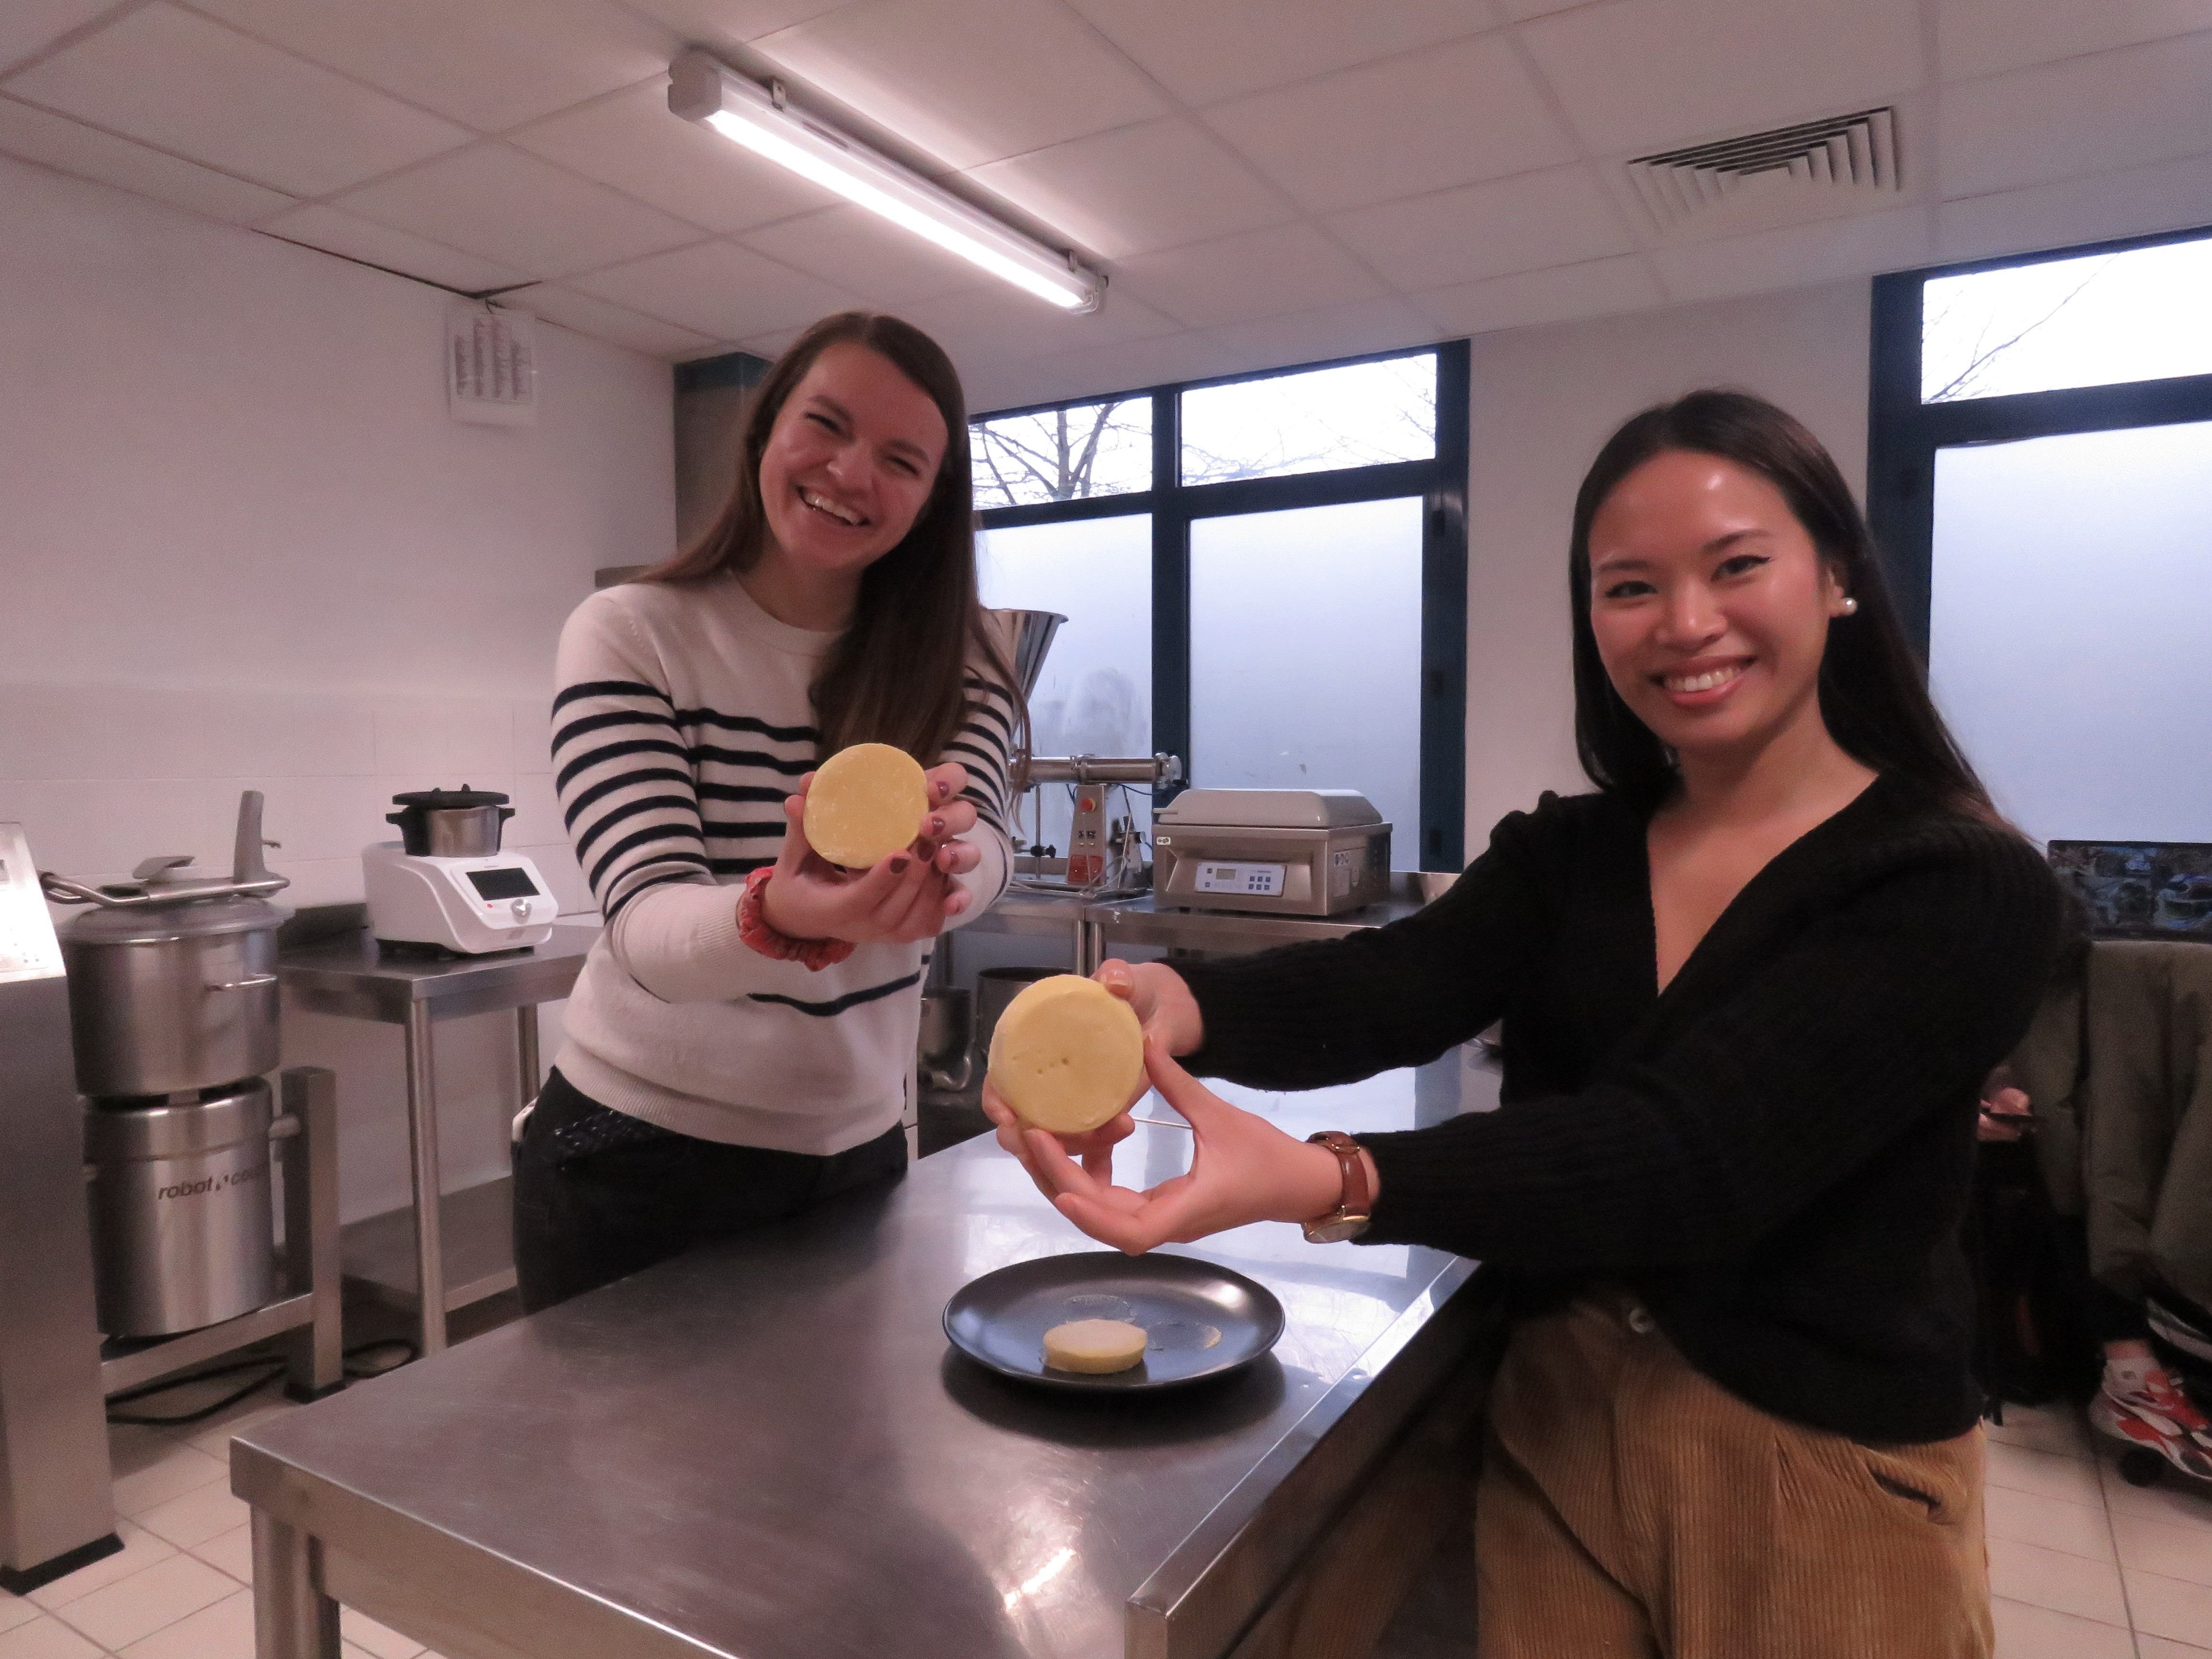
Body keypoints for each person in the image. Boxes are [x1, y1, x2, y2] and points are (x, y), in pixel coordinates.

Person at [987, 391, 2064, 1657]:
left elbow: (1691, 1156)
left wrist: (1332, 1177)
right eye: (1629, 587)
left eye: (1737, 566)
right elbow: (1397, 983)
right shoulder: (1575, 853)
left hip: (1821, 1471)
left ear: (1836, 576)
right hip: (1555, 1418)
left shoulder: (1957, 883)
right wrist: (1189, 1004)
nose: (1685, 624)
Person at [517, 312, 1022, 1313]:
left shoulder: (969, 663)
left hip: (857, 1152)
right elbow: (648, 925)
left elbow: (990, 844)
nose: (850, 471)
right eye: (825, 425)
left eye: (901, 459)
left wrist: (957, 869)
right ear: (765, 433)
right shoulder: (633, 635)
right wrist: (779, 916)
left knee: (842, 1470)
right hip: (638, 1157)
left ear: (932, 499)